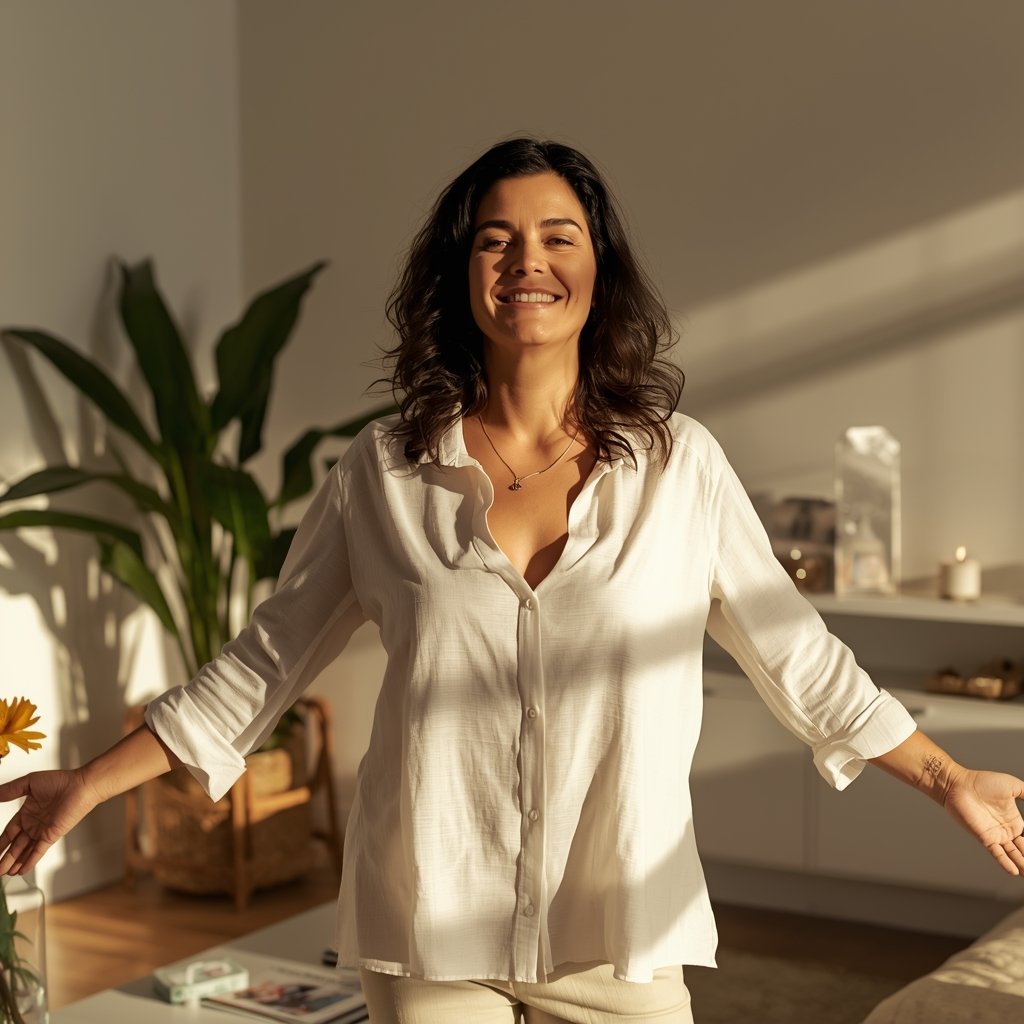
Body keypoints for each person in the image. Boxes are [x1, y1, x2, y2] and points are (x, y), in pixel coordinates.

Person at [2, 138, 1023, 1024]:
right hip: (431, 927)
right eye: (496, 239)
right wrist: (86, 784)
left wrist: (952, 780)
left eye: (557, 236)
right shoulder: (382, 473)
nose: (527, 260)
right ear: (462, 274)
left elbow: (799, 656)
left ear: (597, 270)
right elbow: (264, 661)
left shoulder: (681, 468)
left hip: (622, 930)